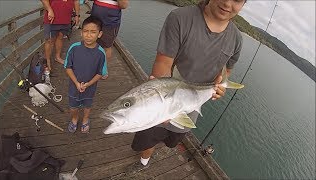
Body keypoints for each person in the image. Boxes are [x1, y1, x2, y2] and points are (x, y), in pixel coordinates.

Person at [126, 0, 246, 173]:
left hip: (193, 107)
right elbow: (163, 63)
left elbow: (226, 71)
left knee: (172, 139)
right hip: (163, 99)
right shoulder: (181, 18)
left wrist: (221, 86)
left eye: (237, 0)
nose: (227, 3)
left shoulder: (236, 39)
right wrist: (161, 105)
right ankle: (144, 162)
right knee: (150, 136)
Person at [64, 16, 108, 133]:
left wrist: (88, 84)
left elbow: (100, 73)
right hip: (74, 86)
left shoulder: (101, 53)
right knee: (73, 106)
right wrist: (76, 83)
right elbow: (68, 67)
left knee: (87, 105)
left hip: (90, 87)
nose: (88, 35)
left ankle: (85, 119)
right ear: (81, 32)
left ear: (99, 34)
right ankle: (74, 119)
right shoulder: (74, 48)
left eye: (93, 32)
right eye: (85, 31)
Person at [90, 0, 129, 76]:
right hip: (94, 19)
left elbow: (124, 5)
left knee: (106, 47)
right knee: (91, 43)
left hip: (110, 23)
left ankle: (103, 69)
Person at [41, 0, 80, 72]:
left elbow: (76, 1)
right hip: (51, 18)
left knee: (60, 37)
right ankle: (47, 62)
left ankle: (57, 57)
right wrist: (49, 9)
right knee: (49, 40)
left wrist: (77, 15)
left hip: (66, 18)